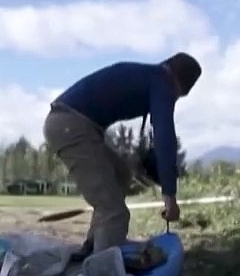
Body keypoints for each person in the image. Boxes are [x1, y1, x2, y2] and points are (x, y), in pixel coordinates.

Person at [43, 52, 202, 255]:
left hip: (71, 122)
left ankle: (94, 246)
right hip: (71, 126)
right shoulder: (163, 83)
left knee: (120, 174)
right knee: (114, 211)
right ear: (180, 85)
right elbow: (164, 135)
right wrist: (170, 195)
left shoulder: (149, 76)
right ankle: (102, 275)